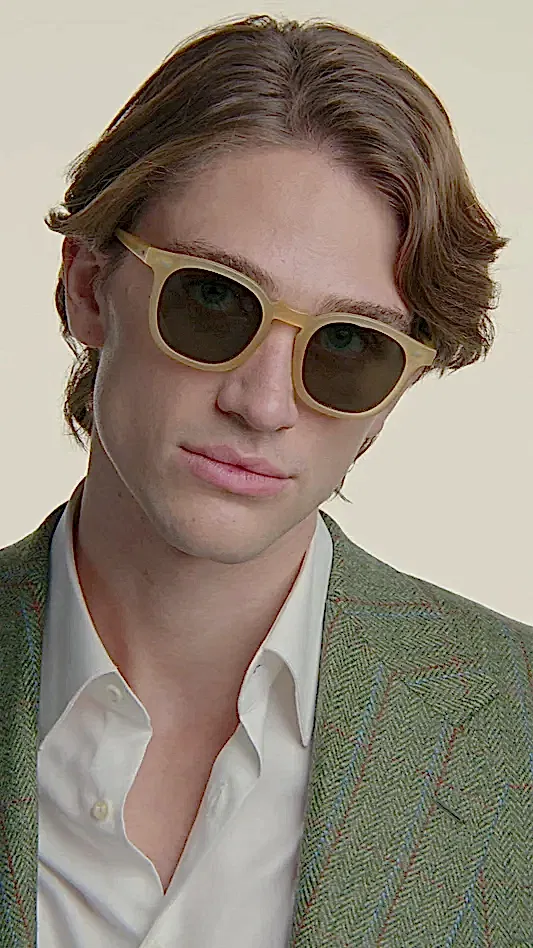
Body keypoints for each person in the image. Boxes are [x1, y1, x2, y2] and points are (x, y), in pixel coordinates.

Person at [0, 13, 530, 948]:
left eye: (348, 345)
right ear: (88, 286)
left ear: (398, 389)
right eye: (213, 298)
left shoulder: (512, 727)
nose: (263, 402)